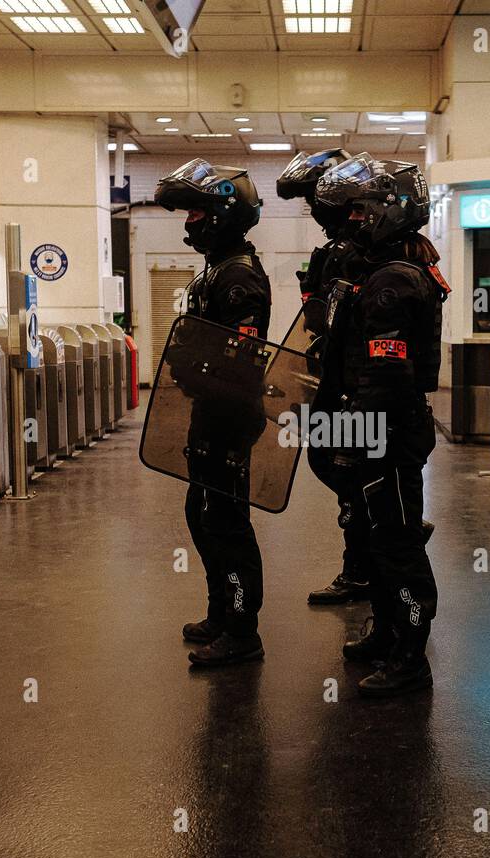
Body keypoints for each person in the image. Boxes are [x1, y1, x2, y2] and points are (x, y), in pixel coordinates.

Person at [313, 153, 447, 697]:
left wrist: (356, 435)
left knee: (396, 545)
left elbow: (386, 372)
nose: (351, 223)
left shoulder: (393, 280)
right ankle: (390, 632)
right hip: (375, 427)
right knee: (378, 538)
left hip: (387, 432)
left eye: (360, 213)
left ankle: (411, 653)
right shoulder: (382, 270)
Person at [153, 158, 271, 666]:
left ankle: (243, 631)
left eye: (198, 212)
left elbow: (238, 360)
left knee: (227, 524)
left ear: (223, 213)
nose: (189, 222)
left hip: (229, 415)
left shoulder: (238, 277)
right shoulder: (216, 271)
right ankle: (221, 611)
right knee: (201, 517)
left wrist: (192, 365)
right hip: (209, 412)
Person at [275, 148, 373, 606]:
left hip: (355, 387)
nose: (313, 210)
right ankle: (361, 563)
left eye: (317, 200)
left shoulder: (360, 252)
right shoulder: (332, 251)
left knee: (349, 468)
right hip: (329, 380)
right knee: (328, 463)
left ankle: (370, 564)